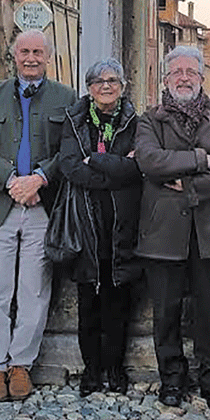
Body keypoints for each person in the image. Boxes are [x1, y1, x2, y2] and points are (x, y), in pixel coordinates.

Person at [135, 46, 210, 416]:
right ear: (165, 79)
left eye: (191, 72)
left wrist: (192, 185)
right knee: (165, 311)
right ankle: (172, 379)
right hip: (163, 229)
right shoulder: (151, 119)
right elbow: (150, 161)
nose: (184, 77)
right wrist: (200, 160)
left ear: (202, 78)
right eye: (176, 72)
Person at [0, 29, 77, 402]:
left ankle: (21, 365)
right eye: (24, 52)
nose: (31, 58)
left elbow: (70, 149)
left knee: (34, 290)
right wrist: (11, 180)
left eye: (38, 52)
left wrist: (40, 179)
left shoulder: (66, 97)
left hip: (41, 206)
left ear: (48, 56)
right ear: (13, 56)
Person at [57, 58, 142, 397]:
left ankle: (116, 368)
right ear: (89, 88)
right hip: (86, 222)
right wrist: (117, 171)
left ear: (122, 86)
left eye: (112, 80)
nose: (106, 86)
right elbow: (69, 165)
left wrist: (98, 161)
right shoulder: (74, 119)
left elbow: (140, 168)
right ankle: (92, 371)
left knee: (119, 302)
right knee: (88, 303)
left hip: (122, 223)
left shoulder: (135, 121)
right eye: (98, 81)